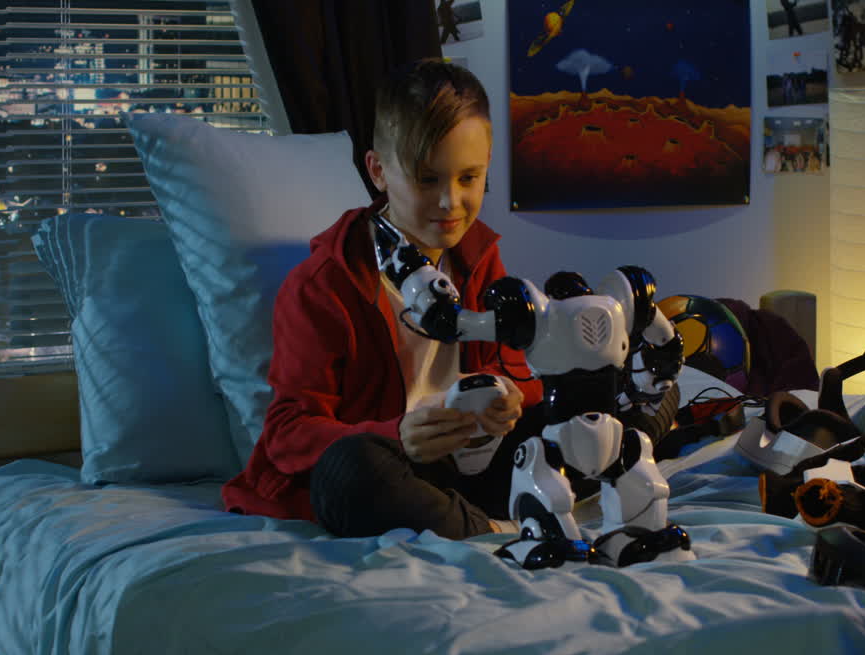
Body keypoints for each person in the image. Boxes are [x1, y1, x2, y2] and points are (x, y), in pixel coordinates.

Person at [223, 59, 679, 543]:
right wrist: (397, 434)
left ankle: (622, 444)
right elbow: (286, 432)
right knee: (352, 471)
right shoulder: (321, 285)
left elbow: (515, 369)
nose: (450, 202)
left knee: (620, 398)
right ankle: (494, 529)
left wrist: (506, 397)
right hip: (395, 465)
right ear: (377, 171)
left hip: (472, 464)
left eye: (468, 178)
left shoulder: (478, 255)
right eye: (427, 179)